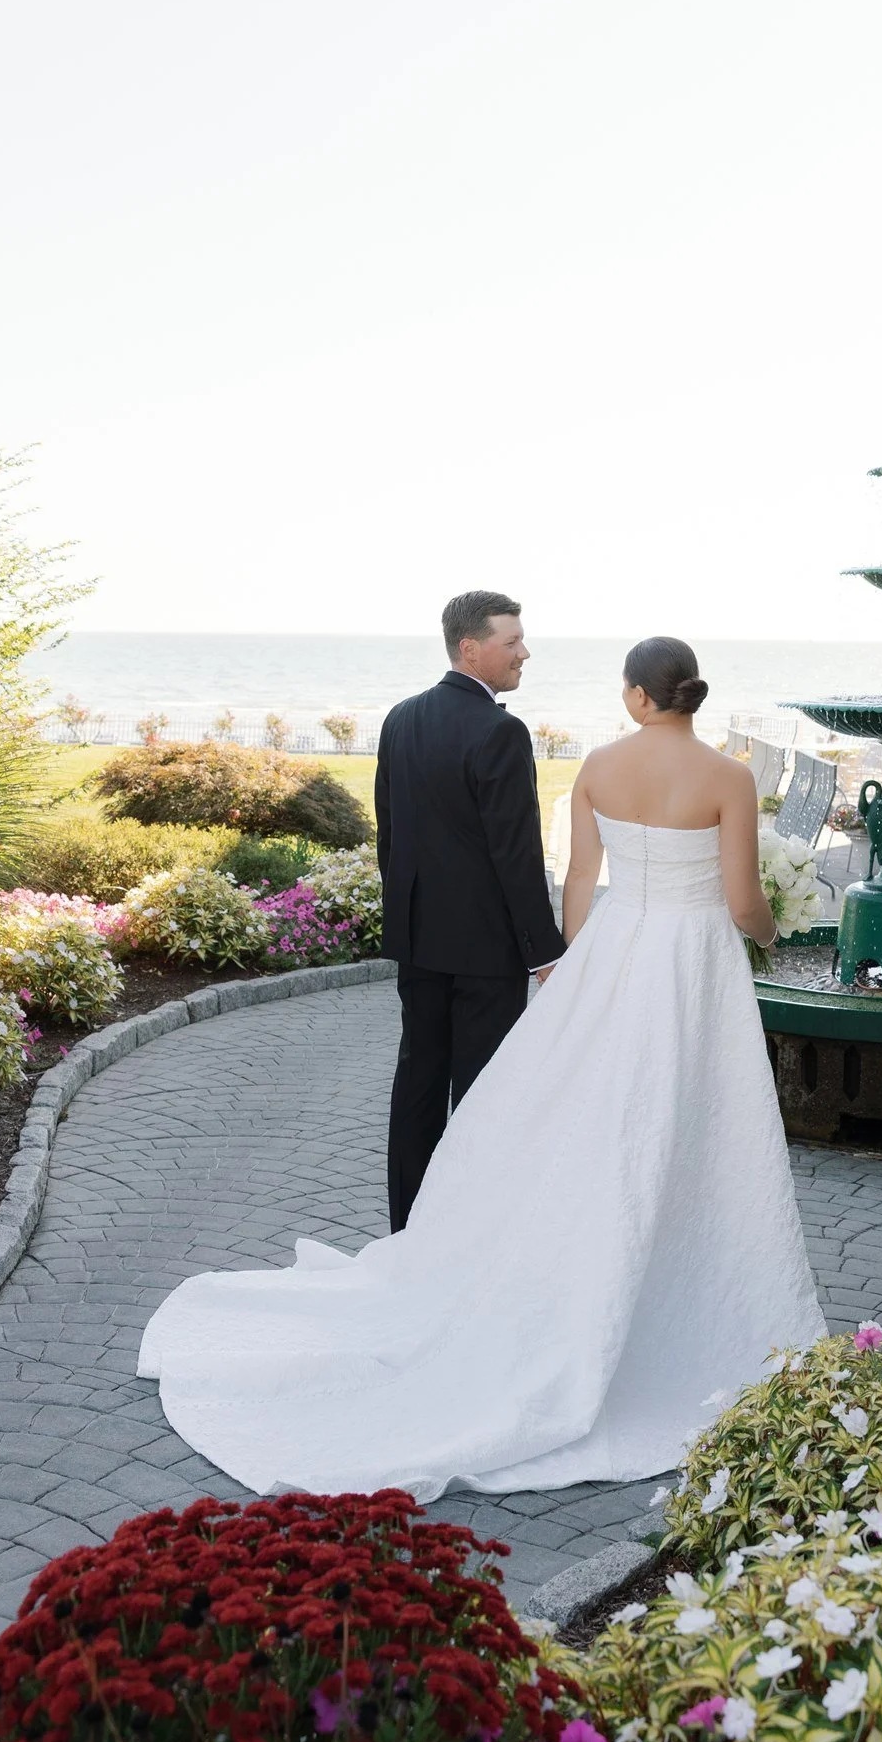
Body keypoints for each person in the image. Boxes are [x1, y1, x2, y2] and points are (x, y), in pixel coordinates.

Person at [138, 635, 826, 1501]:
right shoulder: (729, 778)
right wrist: (770, 934)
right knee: (699, 1117)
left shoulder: (600, 769)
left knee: (596, 1118)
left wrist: (583, 970)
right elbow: (739, 902)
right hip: (694, 964)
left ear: (634, 696)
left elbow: (579, 882)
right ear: (686, 695)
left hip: (616, 953)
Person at [376, 590, 566, 1232]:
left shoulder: (400, 718)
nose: (524, 653)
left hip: (419, 940)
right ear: (470, 648)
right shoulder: (500, 730)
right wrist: (544, 951)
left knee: (418, 1085)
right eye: (512, 643)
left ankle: (407, 1231)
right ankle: (465, 1237)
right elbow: (516, 853)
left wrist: (403, 921)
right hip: (487, 953)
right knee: (483, 1097)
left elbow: (390, 836)